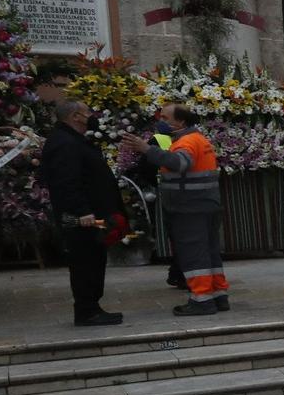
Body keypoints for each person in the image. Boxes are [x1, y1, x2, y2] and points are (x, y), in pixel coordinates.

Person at [121, 105, 228, 315]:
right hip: (205, 204)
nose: (161, 121)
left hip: (189, 207)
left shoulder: (186, 142)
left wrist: (146, 149)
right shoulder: (198, 139)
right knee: (209, 252)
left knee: (194, 253)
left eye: (165, 117)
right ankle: (217, 295)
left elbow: (179, 163)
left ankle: (202, 299)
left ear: (180, 122)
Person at [38, 100, 123, 327]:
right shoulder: (64, 142)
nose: (92, 116)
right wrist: (82, 211)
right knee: (85, 262)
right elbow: (67, 182)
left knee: (94, 261)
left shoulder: (72, 139)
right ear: (76, 116)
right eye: (88, 112)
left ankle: (92, 307)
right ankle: (87, 311)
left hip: (91, 214)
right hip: (81, 218)